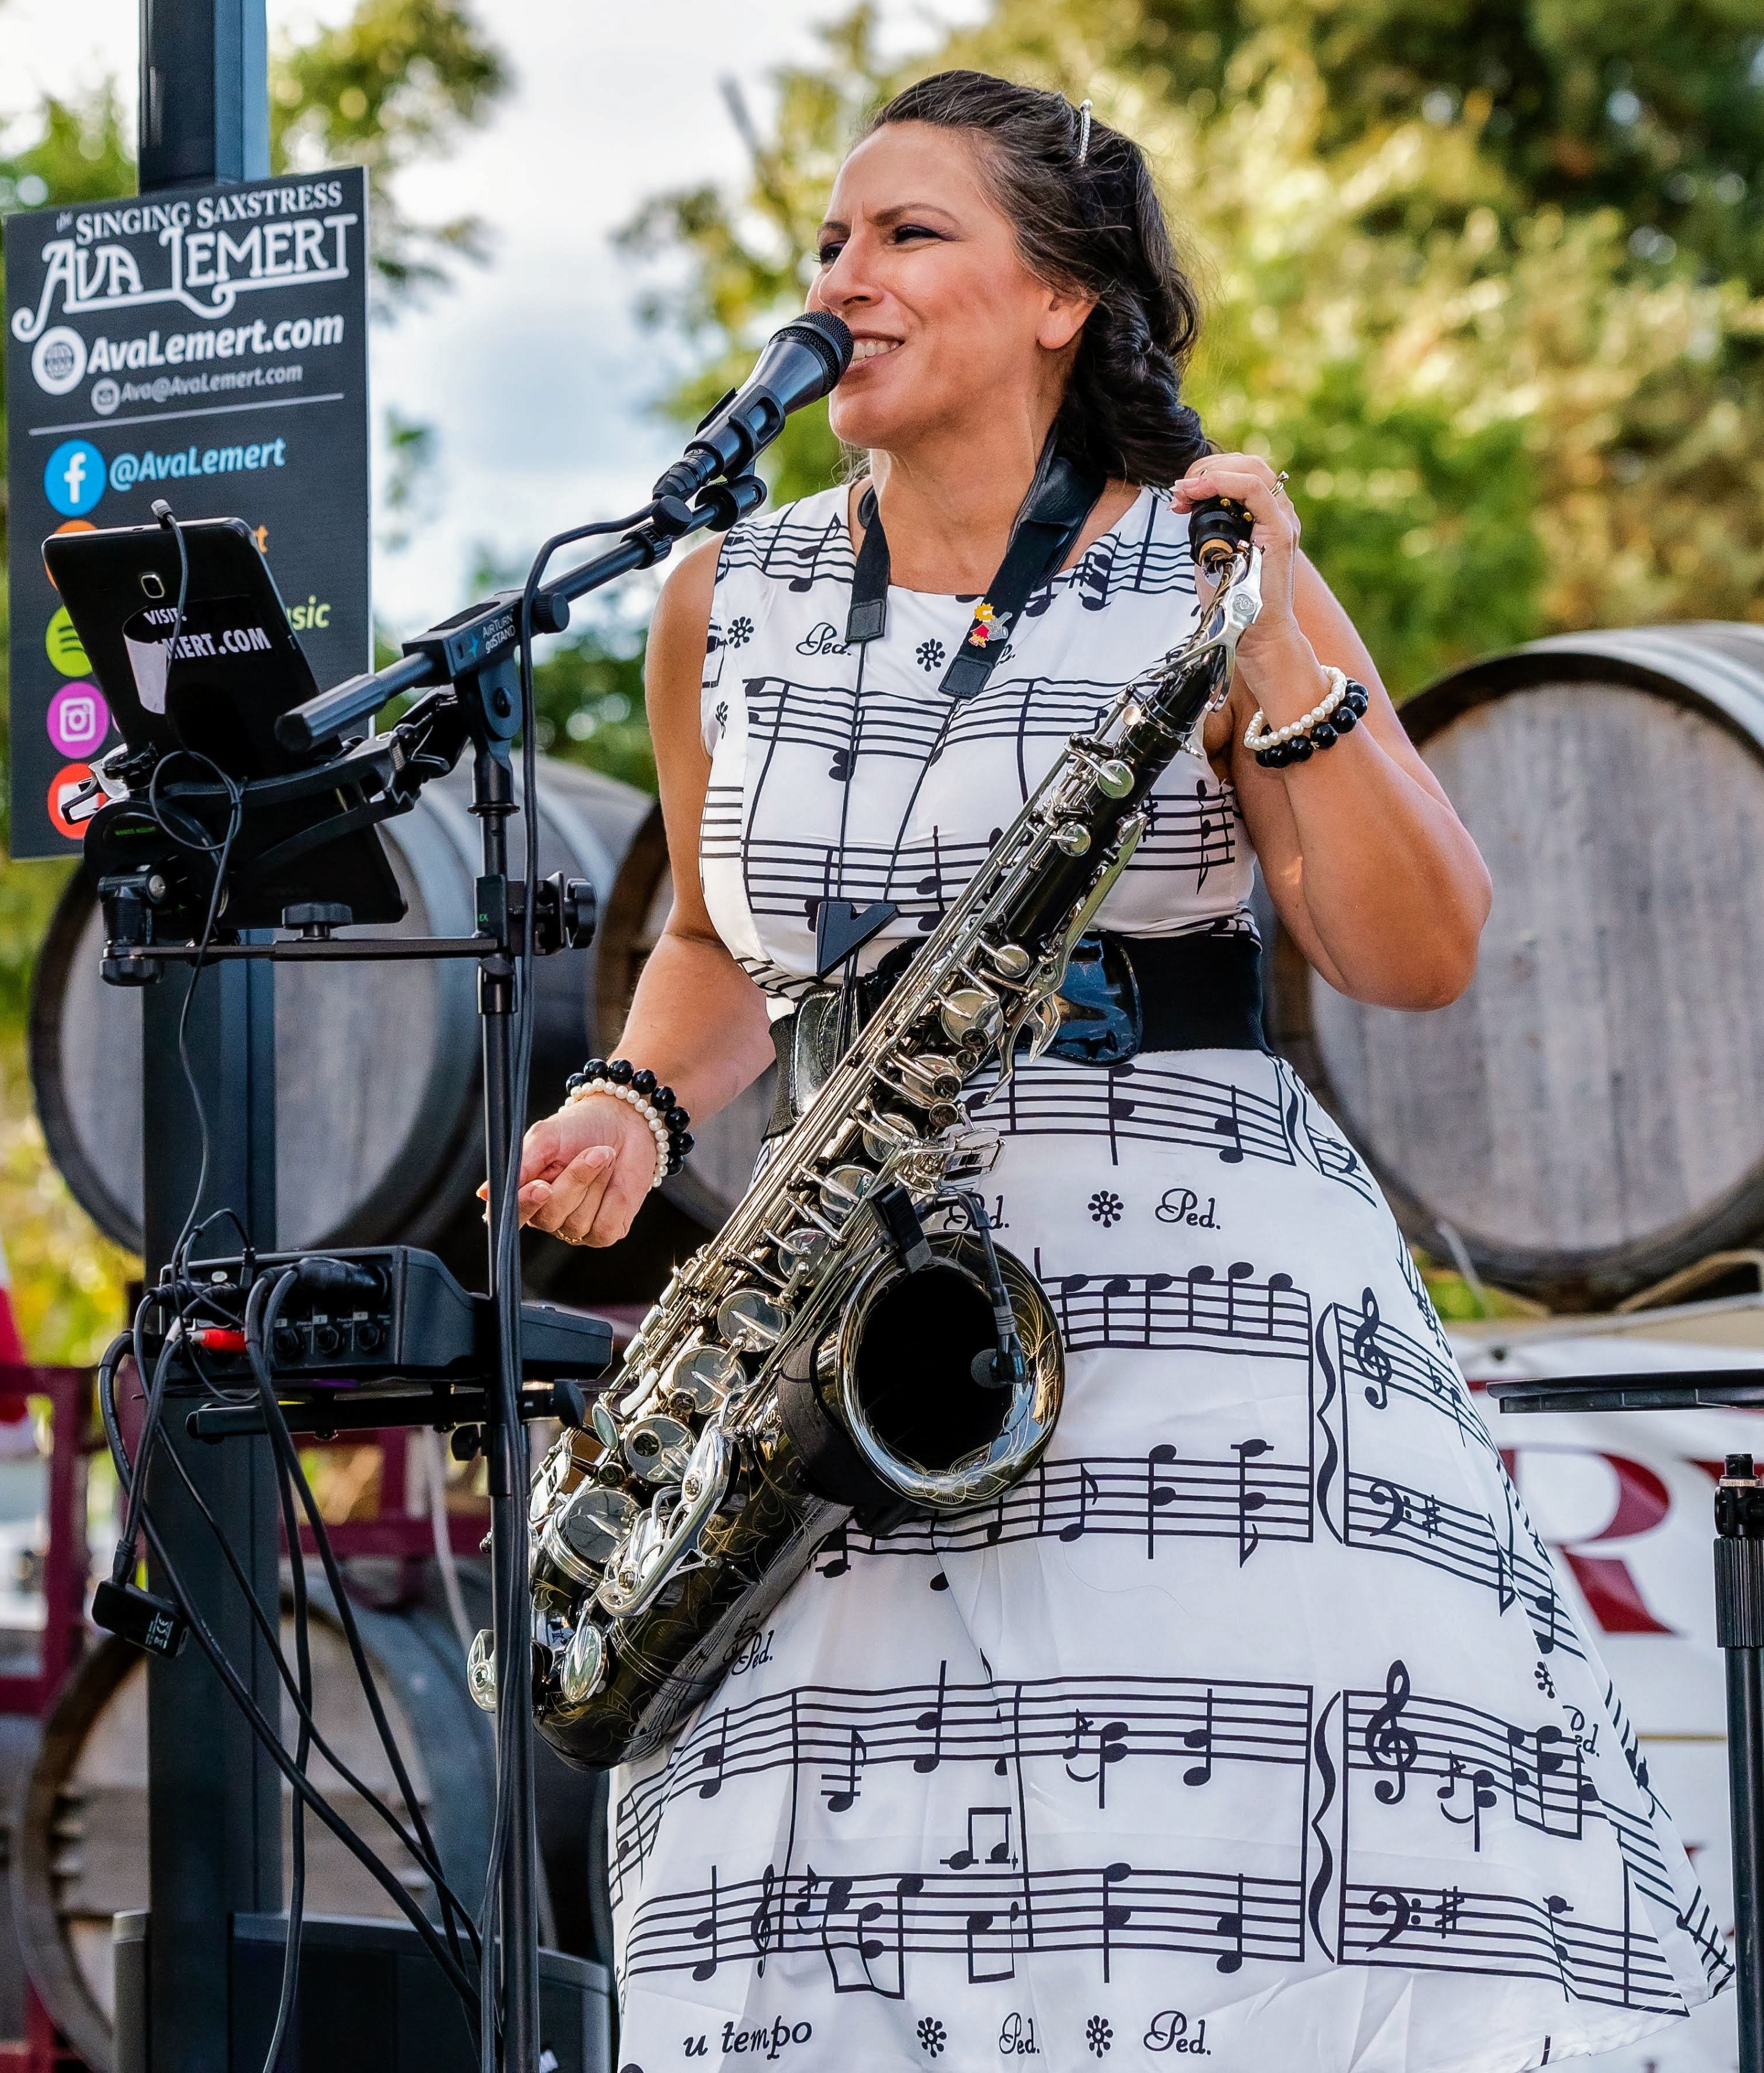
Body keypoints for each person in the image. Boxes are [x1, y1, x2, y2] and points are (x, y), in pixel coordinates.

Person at [515, 70, 1726, 2071]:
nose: (847, 278)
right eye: (834, 240)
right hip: (831, 1314)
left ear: (1064, 298)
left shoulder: (1201, 552)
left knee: (1228, 1852)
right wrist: (637, 1101)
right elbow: (723, 939)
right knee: (820, 1878)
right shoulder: (722, 601)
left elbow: (1416, 948)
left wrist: (1269, 633)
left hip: (1194, 1295)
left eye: (910, 236)